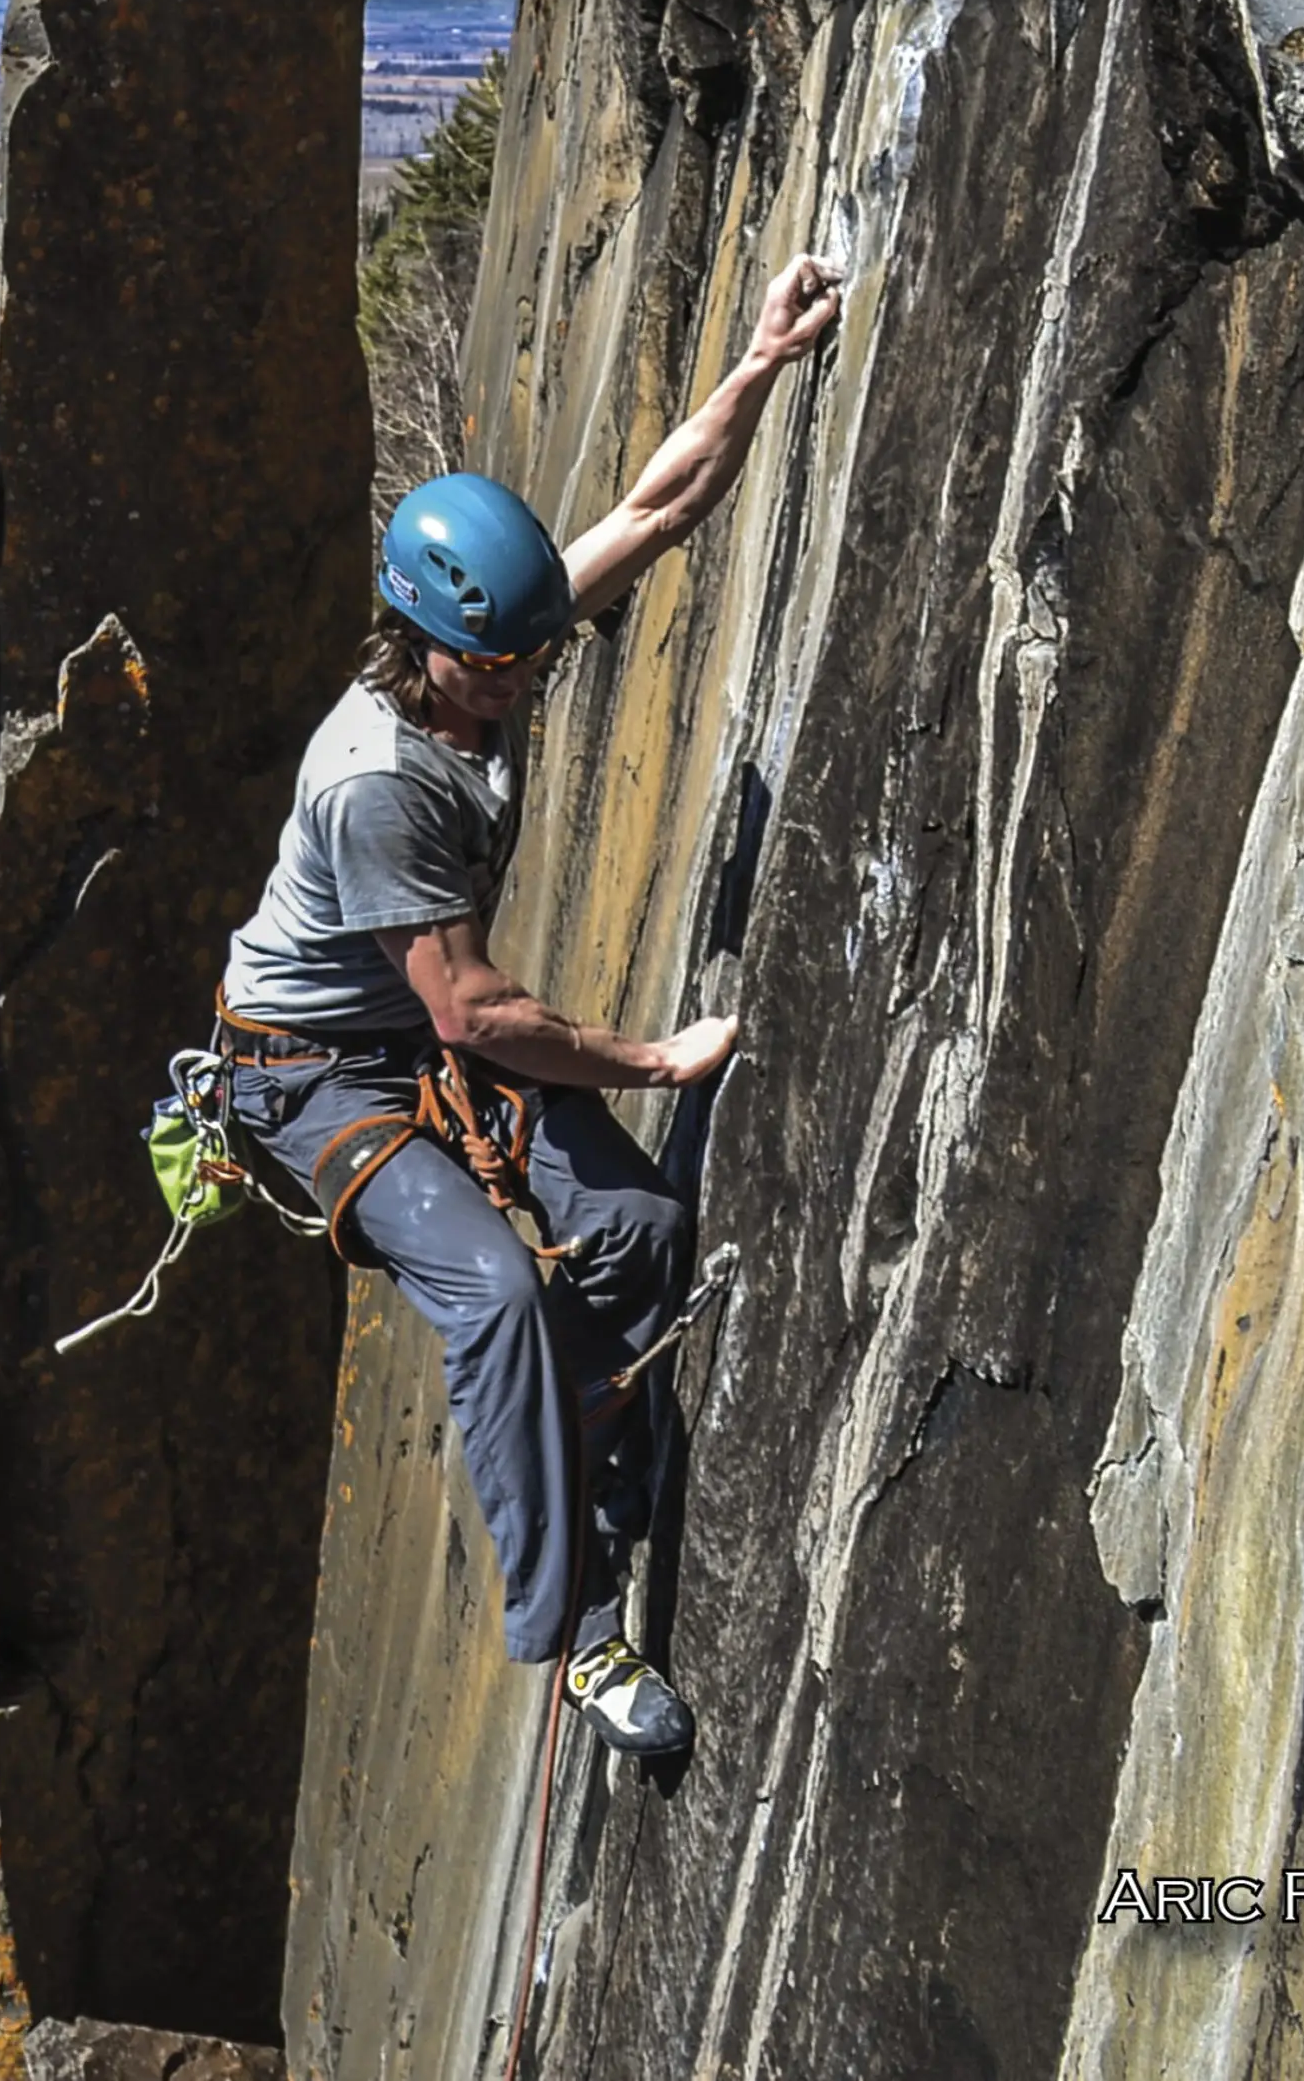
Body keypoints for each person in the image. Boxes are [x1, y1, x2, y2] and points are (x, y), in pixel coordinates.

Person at [213, 254, 843, 1754]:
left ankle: (595, 1433)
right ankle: (569, 1634)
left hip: (398, 1037)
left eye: (527, 654)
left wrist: (759, 360)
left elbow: (656, 506)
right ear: (420, 638)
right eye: (490, 662)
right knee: (493, 1288)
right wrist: (654, 1059)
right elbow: (473, 1015)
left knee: (635, 1234)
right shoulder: (382, 784)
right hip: (309, 1077)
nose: (516, 681)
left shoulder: (489, 639)